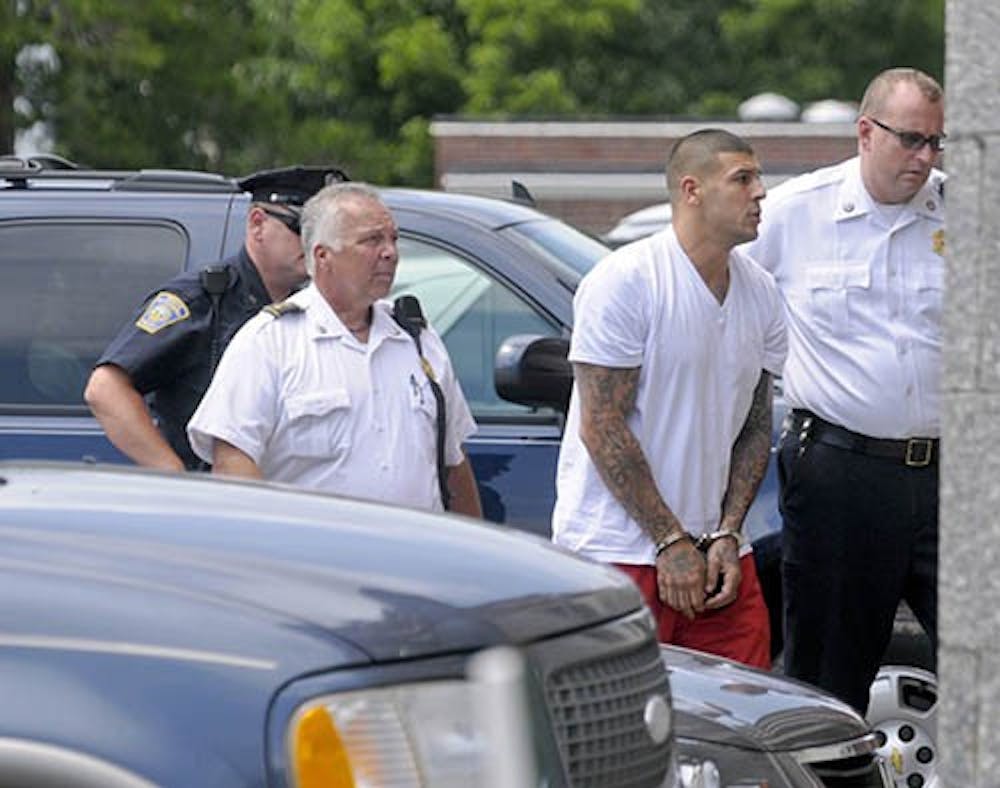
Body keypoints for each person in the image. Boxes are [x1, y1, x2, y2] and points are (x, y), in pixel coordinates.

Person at [744, 68, 945, 714]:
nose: (926, 157)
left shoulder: (966, 211)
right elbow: (714, 305)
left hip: (953, 478)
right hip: (842, 475)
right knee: (829, 685)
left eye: (937, 143)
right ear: (865, 132)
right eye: (912, 140)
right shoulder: (797, 212)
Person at [551, 129, 787, 669]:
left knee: (741, 718)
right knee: (625, 728)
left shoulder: (761, 290)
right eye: (742, 179)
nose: (761, 193)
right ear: (691, 190)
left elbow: (754, 423)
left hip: (719, 558)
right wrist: (669, 541)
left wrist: (727, 531)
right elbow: (602, 424)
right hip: (619, 553)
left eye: (758, 177)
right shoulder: (626, 280)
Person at [187, 182, 482, 518]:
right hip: (317, 563)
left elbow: (453, 462)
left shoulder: (417, 340)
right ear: (323, 256)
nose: (390, 252)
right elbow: (232, 462)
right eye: (372, 240)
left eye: (393, 239)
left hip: (411, 563)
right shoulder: (270, 342)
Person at [84, 165, 346, 471]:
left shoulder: (314, 309)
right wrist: (174, 474)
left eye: (325, 235)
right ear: (258, 224)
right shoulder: (201, 300)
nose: (315, 244)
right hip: (211, 501)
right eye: (301, 229)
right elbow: (105, 388)